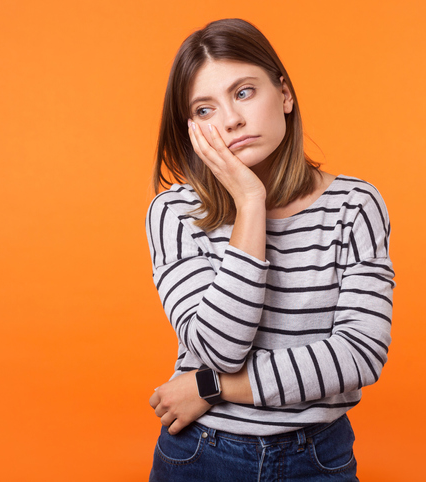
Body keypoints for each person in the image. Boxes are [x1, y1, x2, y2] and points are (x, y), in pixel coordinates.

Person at [145, 18, 394, 481]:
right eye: (204, 109)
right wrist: (250, 203)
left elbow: (359, 354)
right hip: (202, 453)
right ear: (192, 128)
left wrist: (208, 386)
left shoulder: (355, 205)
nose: (231, 120)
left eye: (243, 92)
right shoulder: (174, 212)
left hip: (317, 456)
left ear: (284, 93)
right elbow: (219, 348)